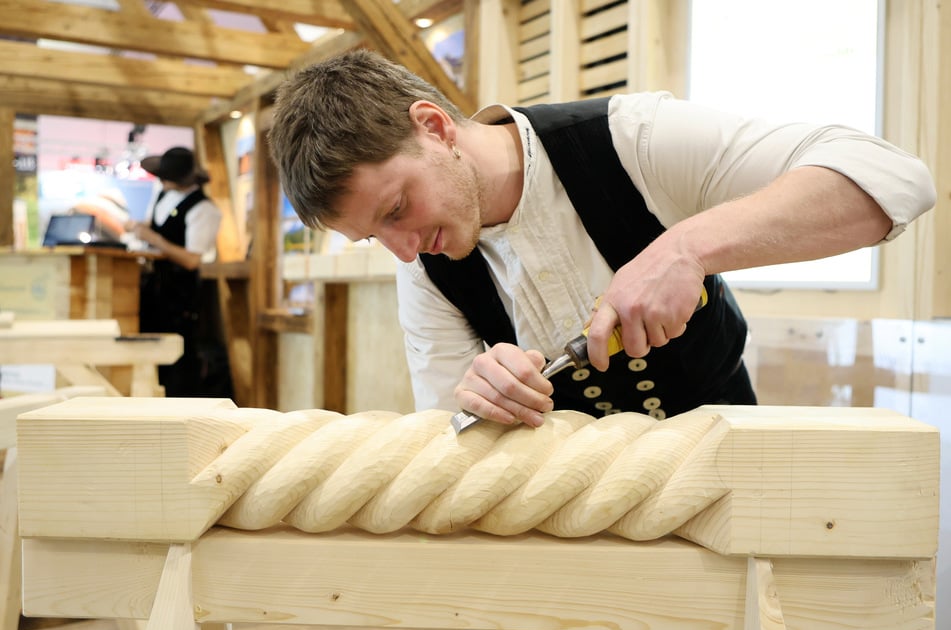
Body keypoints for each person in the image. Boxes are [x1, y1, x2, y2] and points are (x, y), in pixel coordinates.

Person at [268, 50, 936, 426]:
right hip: (576, 527)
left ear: (434, 125)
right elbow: (453, 437)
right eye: (374, 237)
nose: (405, 251)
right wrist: (480, 400)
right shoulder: (426, 263)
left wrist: (686, 248)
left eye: (395, 209)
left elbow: (890, 179)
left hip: (731, 476)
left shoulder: (632, 139)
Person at [126, 146, 223, 397]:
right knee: (152, 355)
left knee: (179, 358)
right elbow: (156, 225)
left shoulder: (204, 209)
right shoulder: (163, 195)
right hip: (154, 291)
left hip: (180, 295)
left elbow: (192, 260)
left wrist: (154, 239)